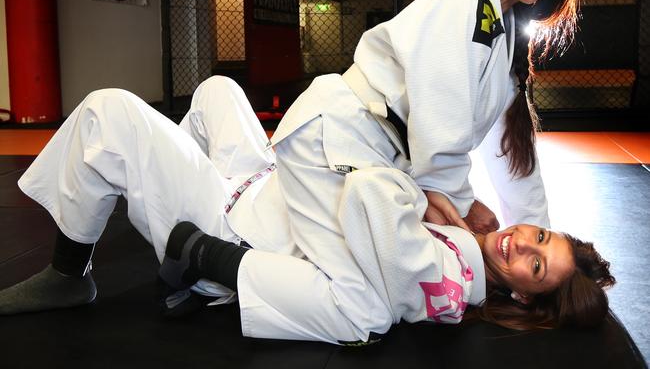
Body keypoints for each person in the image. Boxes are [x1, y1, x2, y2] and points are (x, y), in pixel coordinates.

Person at [0, 77, 614, 345]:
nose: (521, 244)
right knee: (218, 91)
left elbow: (374, 206)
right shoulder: (466, 236)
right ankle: (148, 197)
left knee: (111, 110)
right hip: (265, 185)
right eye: (537, 235)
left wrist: (421, 187)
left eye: (535, 266)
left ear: (527, 298)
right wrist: (448, 200)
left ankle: (69, 272)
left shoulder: (453, 281)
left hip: (233, 225)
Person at [269, 0, 584, 240]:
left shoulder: (501, 25)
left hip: (380, 154)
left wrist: (542, 238)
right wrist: (463, 203)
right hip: (335, 143)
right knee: (359, 291)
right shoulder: (465, 8)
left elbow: (509, 149)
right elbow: (437, 137)